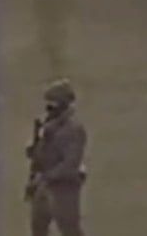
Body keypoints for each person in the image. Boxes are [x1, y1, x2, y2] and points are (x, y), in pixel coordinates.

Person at [25, 79, 87, 236]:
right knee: (38, 227)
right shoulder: (47, 125)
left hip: (64, 187)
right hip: (44, 183)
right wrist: (34, 149)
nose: (48, 108)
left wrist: (47, 177)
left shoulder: (73, 129)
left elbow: (71, 162)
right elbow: (40, 154)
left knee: (69, 229)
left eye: (52, 103)